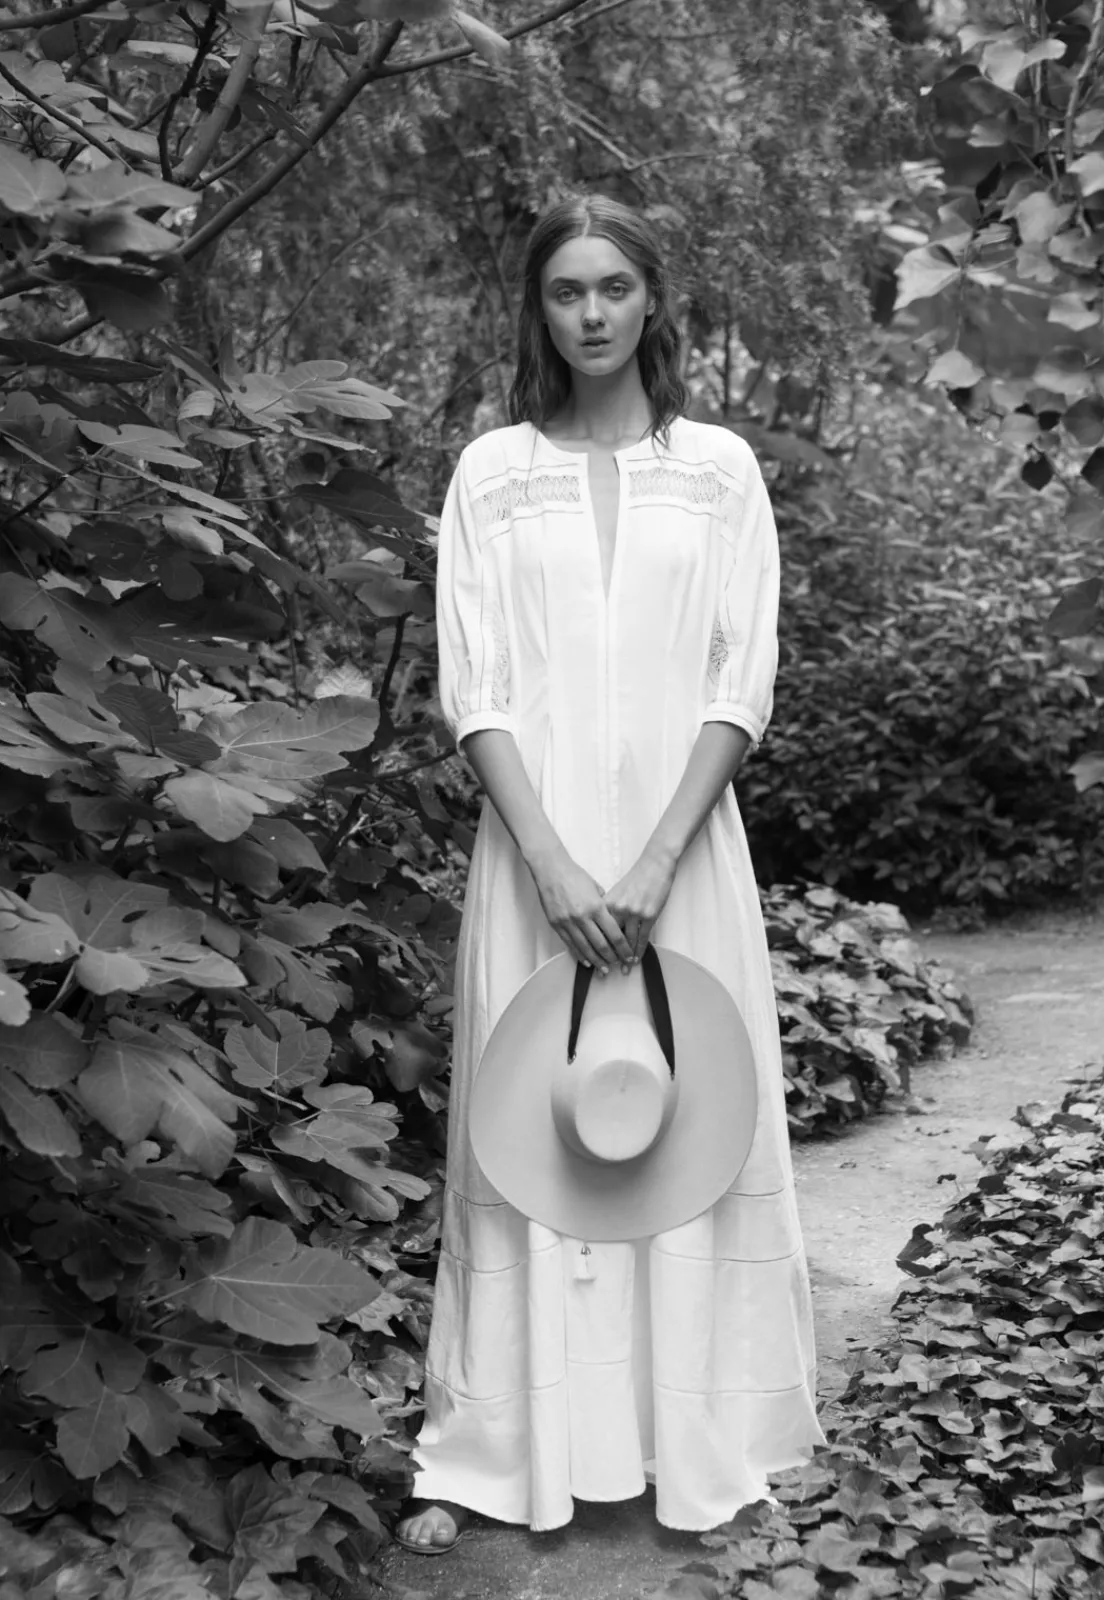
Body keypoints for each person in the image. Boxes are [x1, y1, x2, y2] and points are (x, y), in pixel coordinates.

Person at [398, 194, 824, 1553]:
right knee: (529, 1133)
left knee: (686, 1124)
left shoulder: (720, 470)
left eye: (614, 288)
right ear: (538, 309)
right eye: (566, 291)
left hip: (682, 860)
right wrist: (555, 864)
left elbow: (741, 678)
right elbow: (474, 686)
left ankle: (706, 1442)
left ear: (653, 301)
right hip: (532, 861)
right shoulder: (490, 473)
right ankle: (494, 1455)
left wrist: (647, 864)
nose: (591, 314)